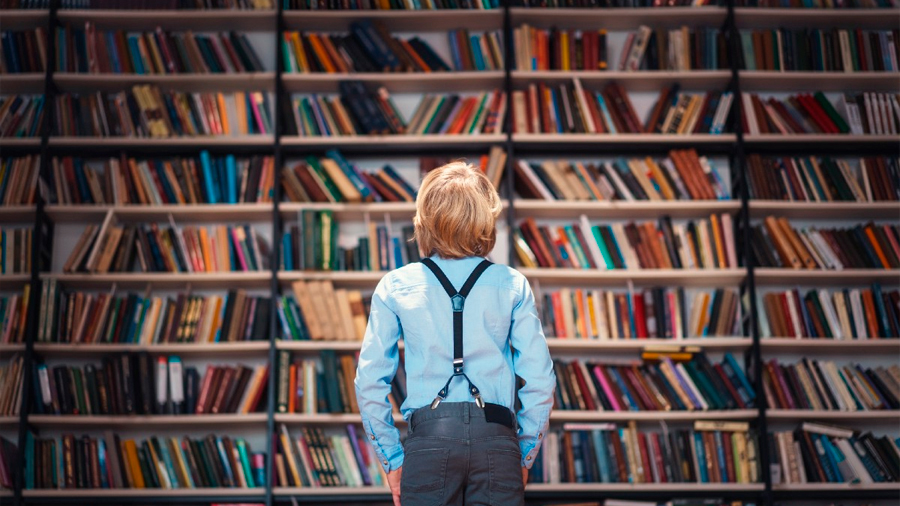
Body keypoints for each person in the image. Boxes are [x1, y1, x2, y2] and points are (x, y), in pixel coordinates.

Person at [355, 161, 556, 506]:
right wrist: (522, 456)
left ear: (425, 219)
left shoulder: (396, 285)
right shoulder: (513, 284)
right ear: (485, 217)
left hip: (429, 442)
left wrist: (392, 459)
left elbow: (369, 382)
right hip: (498, 442)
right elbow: (540, 381)